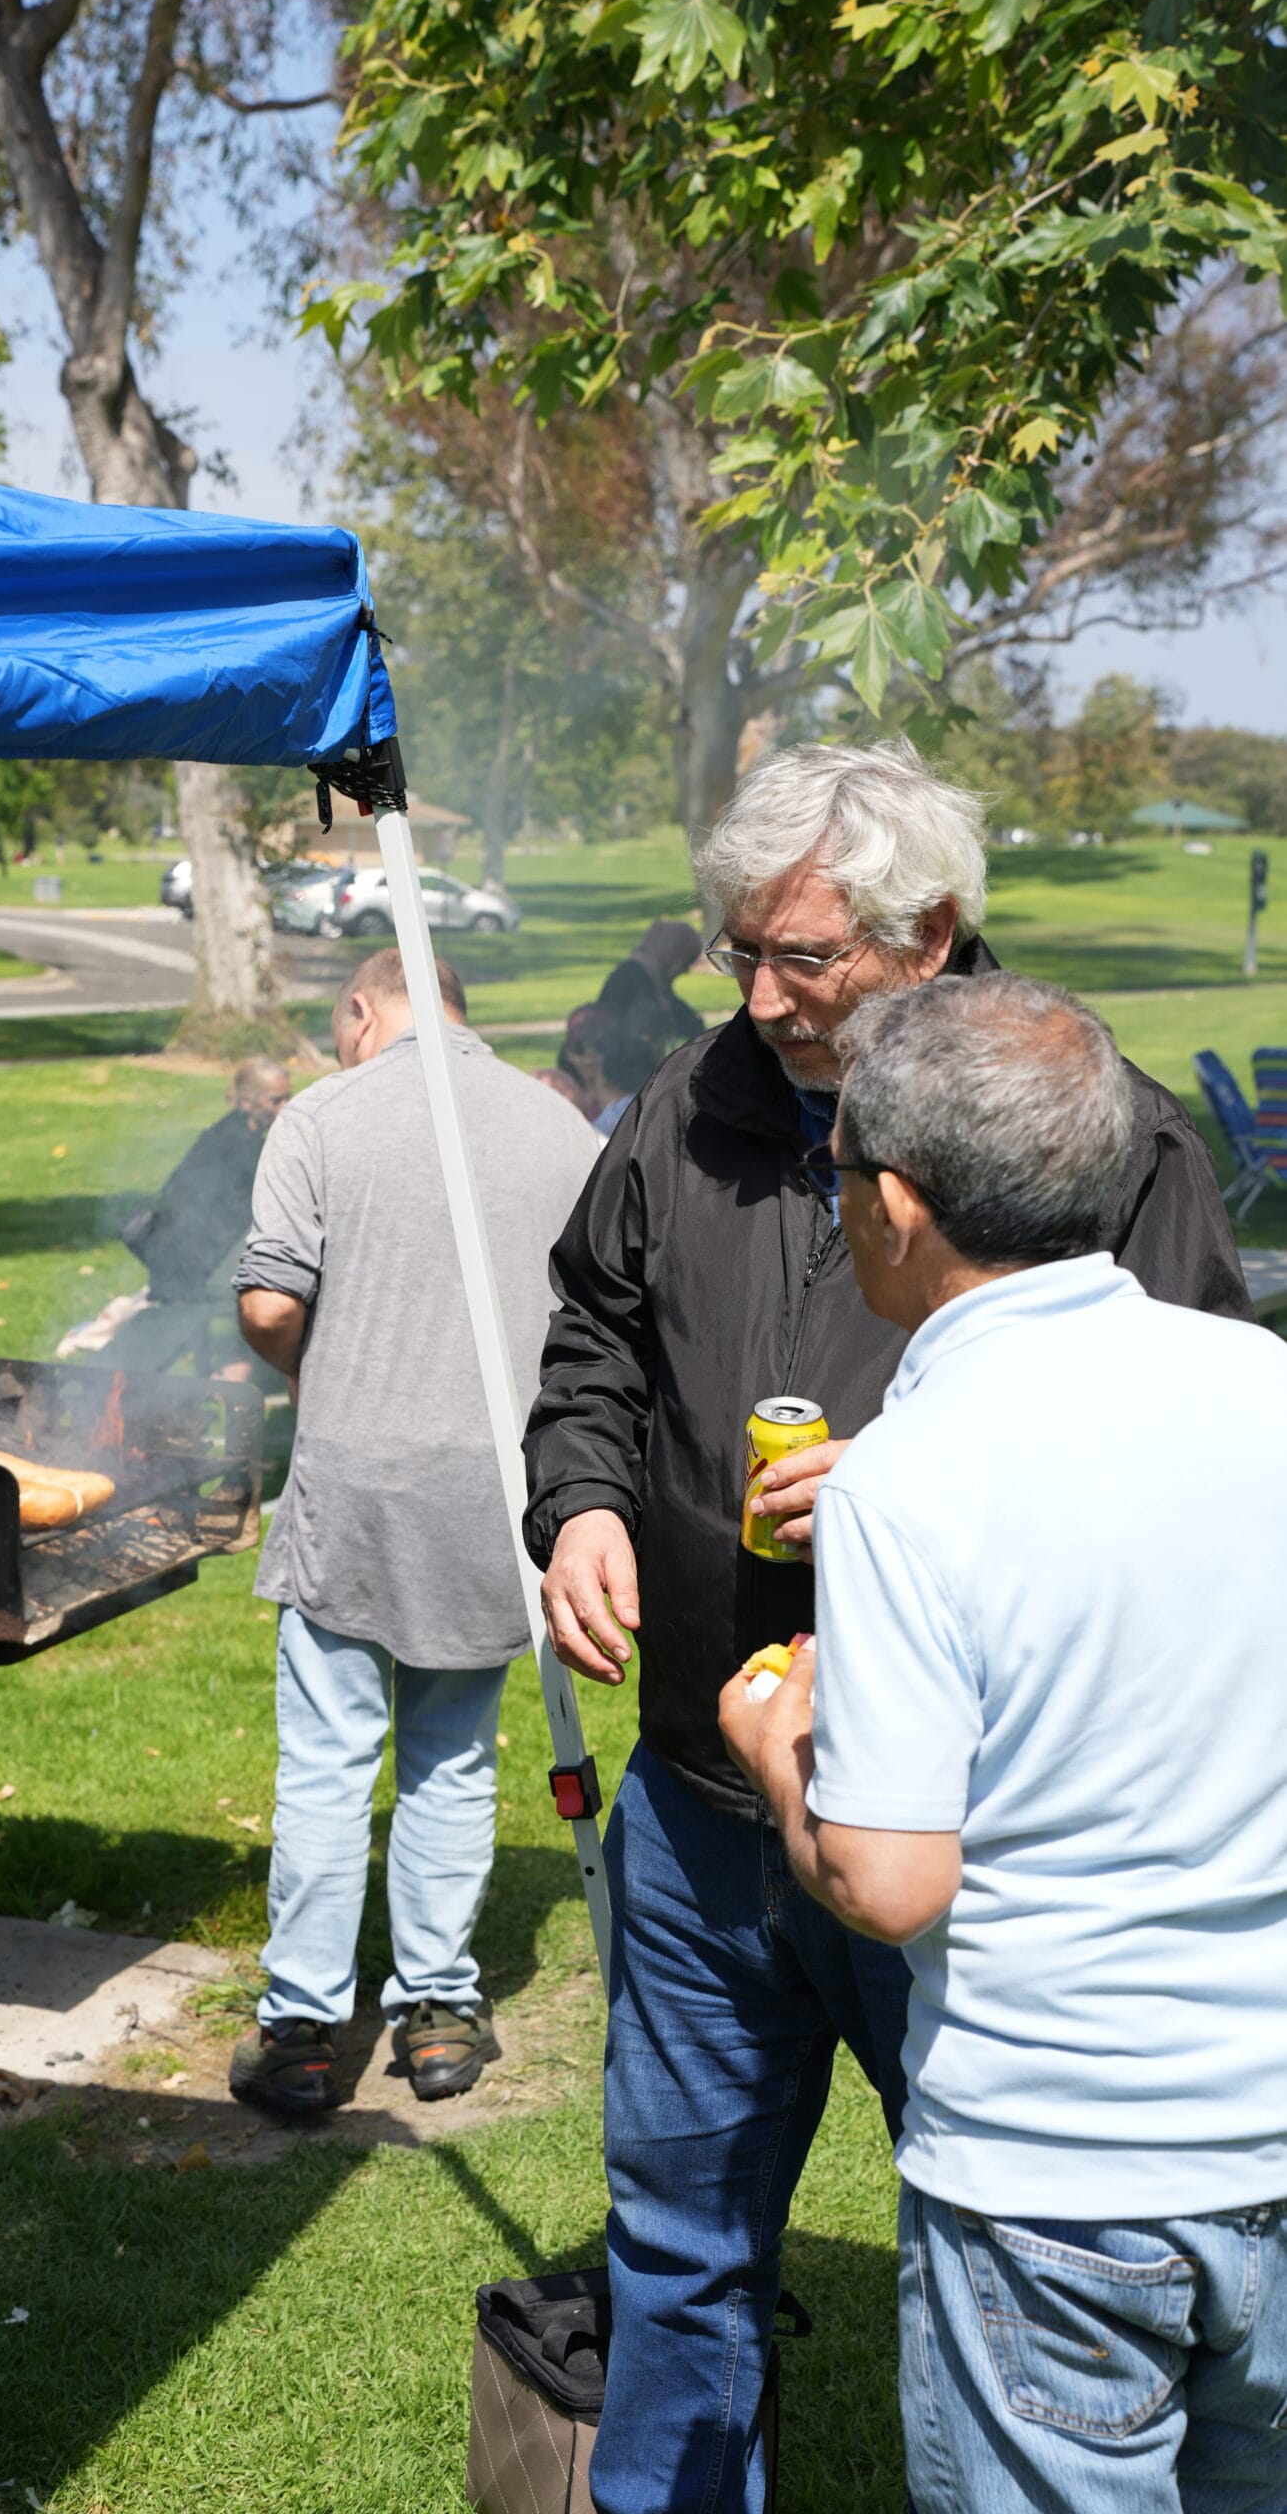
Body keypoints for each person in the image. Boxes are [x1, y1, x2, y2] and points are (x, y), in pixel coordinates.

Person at [522, 738, 1252, 2514]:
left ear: (928, 936)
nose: (758, 999)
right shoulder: (686, 1105)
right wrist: (582, 1505)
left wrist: (914, 1475)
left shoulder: (1099, 1127)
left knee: (1025, 2244)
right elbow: (591, 1342)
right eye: (736, 954)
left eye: (803, 959)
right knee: (676, 2234)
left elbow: (1166, 1429)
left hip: (967, 1836)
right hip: (705, 1790)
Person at [720, 972, 1287, 2514]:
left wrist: (777, 1740)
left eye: (836, 1176)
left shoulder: (913, 1474)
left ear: (891, 1203)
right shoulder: (1262, 1382)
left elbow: (892, 1882)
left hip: (1056, 2178)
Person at [229, 949, 600, 2117]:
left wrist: (323, 1371)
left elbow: (270, 1302)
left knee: (330, 1763)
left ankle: (300, 2027)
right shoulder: (561, 1129)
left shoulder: (321, 1115)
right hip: (494, 1489)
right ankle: (438, 2014)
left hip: (352, 1481)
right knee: (449, 1757)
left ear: (362, 1008)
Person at [56, 1055, 289, 1369]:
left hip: (186, 1261)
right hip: (190, 1267)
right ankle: (234, 1397)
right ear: (248, 1102)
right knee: (253, 1316)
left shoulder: (225, 1134)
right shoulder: (240, 1147)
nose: (286, 1107)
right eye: (277, 1100)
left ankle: (227, 1391)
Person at [595, 917, 704, 1056]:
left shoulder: (654, 980)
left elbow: (684, 1018)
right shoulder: (629, 978)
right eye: (683, 963)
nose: (684, 971)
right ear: (671, 955)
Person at [557, 1003, 662, 1135]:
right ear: (567, 1052)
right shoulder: (563, 1089)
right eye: (579, 1049)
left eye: (598, 1047)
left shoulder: (619, 1103)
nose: (588, 1057)